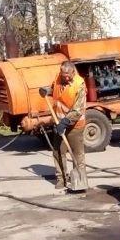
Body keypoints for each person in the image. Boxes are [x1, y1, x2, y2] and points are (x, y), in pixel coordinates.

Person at [46, 60, 87, 191]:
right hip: (59, 122)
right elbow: (53, 90)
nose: (66, 78)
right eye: (64, 76)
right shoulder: (58, 78)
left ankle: (79, 181)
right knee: (58, 152)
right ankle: (61, 179)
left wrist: (65, 122)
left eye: (68, 75)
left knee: (77, 154)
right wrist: (46, 91)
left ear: (73, 72)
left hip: (75, 125)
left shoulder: (79, 84)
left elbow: (78, 110)